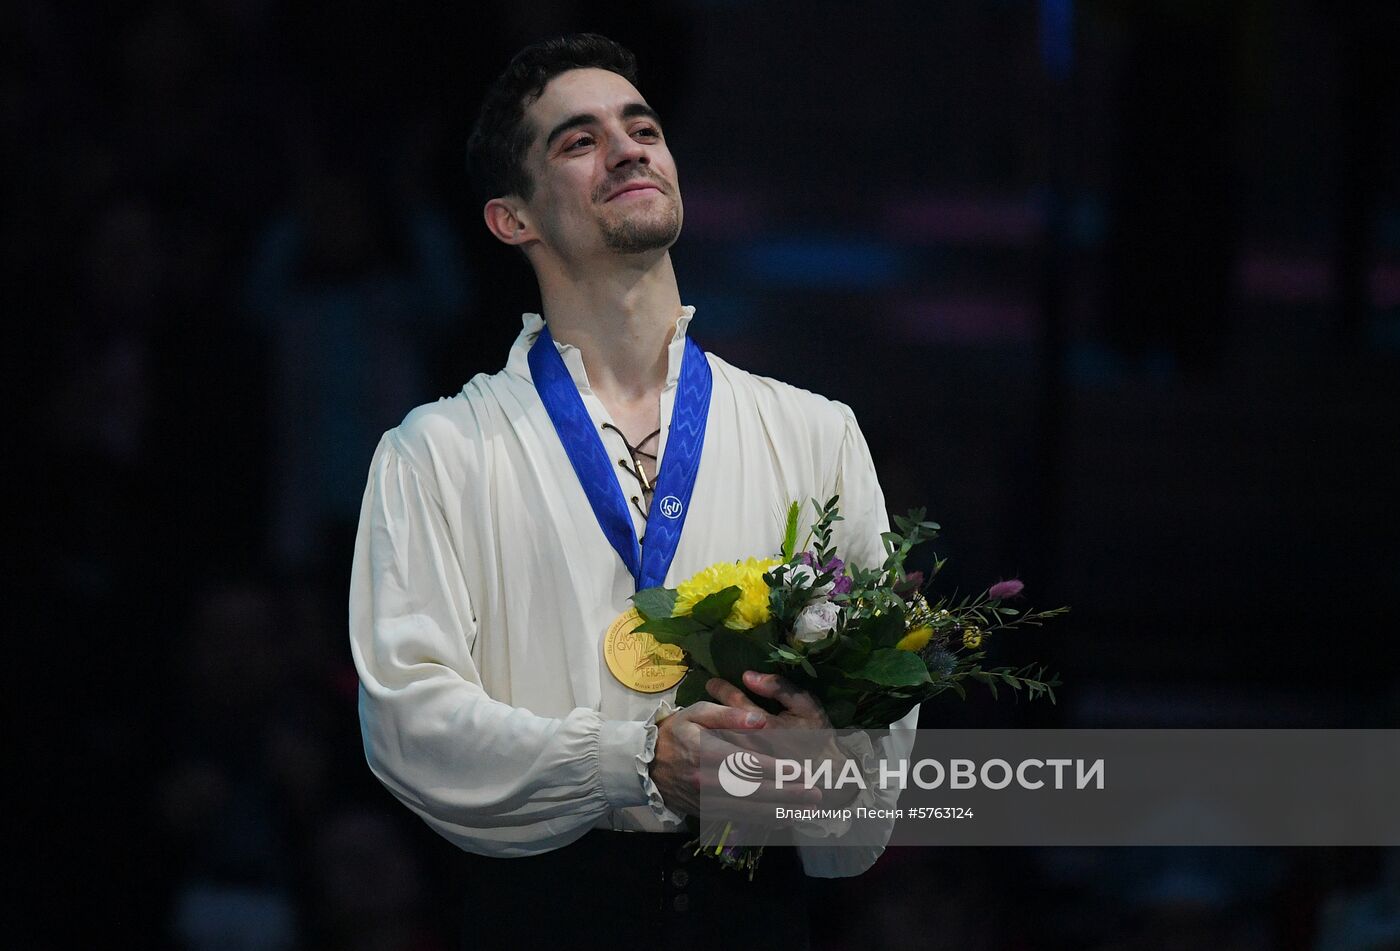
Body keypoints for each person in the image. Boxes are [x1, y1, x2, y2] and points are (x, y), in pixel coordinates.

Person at [349, 33, 916, 950]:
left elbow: (873, 776)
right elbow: (410, 724)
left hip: (754, 909)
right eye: (578, 141)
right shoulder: (439, 452)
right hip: (539, 911)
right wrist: (633, 758)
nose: (627, 149)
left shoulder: (815, 432)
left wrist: (826, 763)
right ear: (512, 220)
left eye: (642, 126)